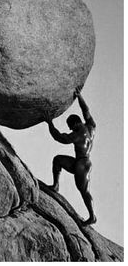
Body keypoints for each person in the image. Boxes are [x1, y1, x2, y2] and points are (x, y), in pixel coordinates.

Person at [44, 87, 97, 225]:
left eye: (70, 126)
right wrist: (79, 96)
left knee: (84, 190)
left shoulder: (77, 134)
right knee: (58, 160)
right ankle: (56, 185)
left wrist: (49, 123)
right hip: (81, 162)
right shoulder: (91, 126)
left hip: (82, 164)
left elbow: (59, 137)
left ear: (74, 124)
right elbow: (86, 111)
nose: (70, 129)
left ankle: (92, 216)